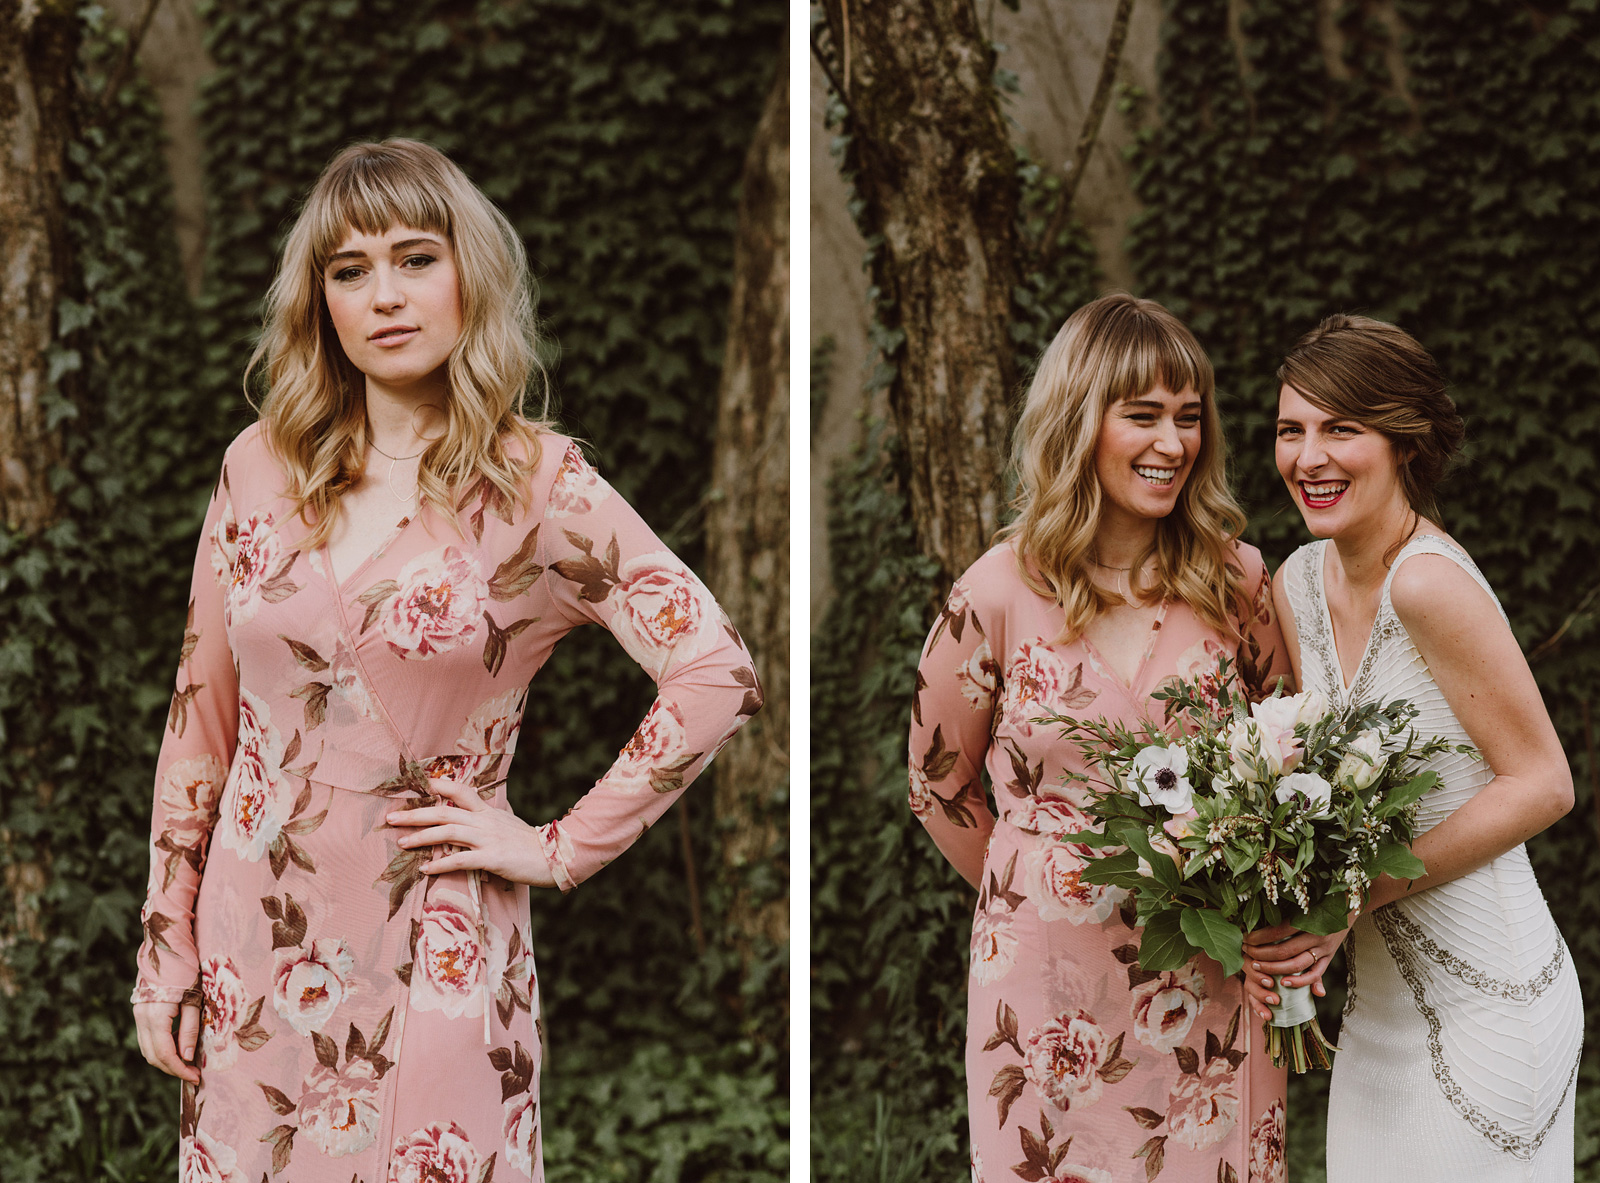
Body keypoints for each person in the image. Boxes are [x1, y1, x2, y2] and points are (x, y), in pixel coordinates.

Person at [129, 139, 760, 1183]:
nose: (385, 294)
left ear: (471, 272)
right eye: (350, 269)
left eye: (416, 258)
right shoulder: (256, 466)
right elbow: (200, 725)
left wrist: (557, 846)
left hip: (437, 937)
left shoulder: (539, 485)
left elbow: (714, 670)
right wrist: (167, 948)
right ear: (318, 301)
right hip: (252, 947)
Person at [909, 293, 1293, 1183]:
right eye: (1144, 415)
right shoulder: (996, 590)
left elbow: (1289, 746)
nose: (1172, 443)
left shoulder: (1235, 578)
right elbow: (937, 781)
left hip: (1209, 978)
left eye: (1189, 418)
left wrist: (1220, 893)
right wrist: (1047, 885)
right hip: (1045, 998)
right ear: (1082, 421)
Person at [1242, 314, 1581, 1181]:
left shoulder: (1426, 584)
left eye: (1341, 429)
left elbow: (1544, 783)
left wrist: (1353, 896)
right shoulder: (1296, 583)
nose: (1308, 457)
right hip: (1377, 1015)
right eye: (1292, 430)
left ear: (1403, 440)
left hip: (1492, 1002)